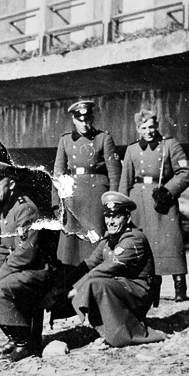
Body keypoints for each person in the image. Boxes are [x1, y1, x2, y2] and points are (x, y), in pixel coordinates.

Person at [0, 160, 53, 362]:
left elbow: (25, 254)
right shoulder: (6, 209)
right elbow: (4, 248)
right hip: (17, 269)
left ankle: (26, 344)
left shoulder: (25, 209)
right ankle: (15, 338)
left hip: (35, 271)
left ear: (11, 184)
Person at [68, 192, 167, 347]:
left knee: (96, 284)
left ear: (127, 218)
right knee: (93, 282)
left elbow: (106, 268)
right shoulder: (109, 240)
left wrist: (75, 289)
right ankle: (104, 327)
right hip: (121, 288)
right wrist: (63, 284)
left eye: (116, 217)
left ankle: (123, 334)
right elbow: (90, 263)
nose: (110, 222)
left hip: (138, 293)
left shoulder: (133, 239)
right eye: (108, 217)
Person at [119, 110, 189, 302]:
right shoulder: (132, 149)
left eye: (151, 127)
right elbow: (124, 181)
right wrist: (122, 207)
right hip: (139, 202)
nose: (148, 131)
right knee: (147, 247)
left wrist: (168, 191)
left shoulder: (170, 145)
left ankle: (180, 289)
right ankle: (152, 293)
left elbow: (185, 173)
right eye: (144, 128)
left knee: (171, 243)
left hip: (163, 201)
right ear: (138, 129)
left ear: (157, 126)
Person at [53, 100, 121, 268]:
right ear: (74, 120)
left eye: (87, 119)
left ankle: (94, 280)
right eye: (80, 120)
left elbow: (114, 174)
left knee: (94, 240)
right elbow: (58, 174)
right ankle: (69, 284)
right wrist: (57, 204)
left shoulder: (103, 138)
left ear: (92, 119)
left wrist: (112, 203)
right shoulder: (65, 140)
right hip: (73, 197)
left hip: (95, 196)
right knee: (70, 244)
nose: (84, 124)